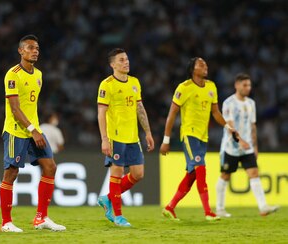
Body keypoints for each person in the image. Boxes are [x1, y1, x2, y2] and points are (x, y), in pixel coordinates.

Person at [0, 34, 66, 232]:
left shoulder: (38, 75)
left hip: (34, 130)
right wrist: (33, 131)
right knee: (11, 173)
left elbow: (31, 106)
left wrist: (35, 130)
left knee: (50, 167)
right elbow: (15, 109)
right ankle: (6, 223)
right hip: (16, 131)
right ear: (20, 51)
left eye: (37, 48)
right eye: (30, 47)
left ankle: (41, 217)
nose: (35, 51)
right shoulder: (13, 74)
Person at [160, 57, 238, 221]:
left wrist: (229, 128)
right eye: (201, 64)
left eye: (205, 64)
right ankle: (208, 211)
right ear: (192, 70)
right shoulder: (184, 87)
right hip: (189, 134)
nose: (205, 66)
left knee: (193, 175)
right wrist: (166, 140)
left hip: (203, 136)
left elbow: (215, 113)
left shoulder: (211, 86)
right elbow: (172, 113)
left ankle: (170, 207)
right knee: (201, 168)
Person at [97, 48, 155, 227]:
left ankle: (107, 199)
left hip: (133, 137)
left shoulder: (135, 82)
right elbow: (101, 113)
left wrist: (148, 132)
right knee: (117, 172)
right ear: (113, 64)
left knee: (138, 174)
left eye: (127, 59)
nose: (126, 62)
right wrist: (104, 139)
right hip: (115, 138)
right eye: (121, 60)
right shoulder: (107, 84)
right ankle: (118, 216)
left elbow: (140, 109)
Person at [215, 73, 279, 217]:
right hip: (231, 147)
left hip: (247, 147)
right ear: (237, 85)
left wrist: (254, 146)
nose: (248, 88)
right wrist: (241, 141)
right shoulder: (228, 103)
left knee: (254, 173)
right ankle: (219, 208)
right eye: (245, 85)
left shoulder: (251, 103)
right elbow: (230, 125)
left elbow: (253, 126)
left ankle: (263, 207)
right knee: (225, 175)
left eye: (249, 85)